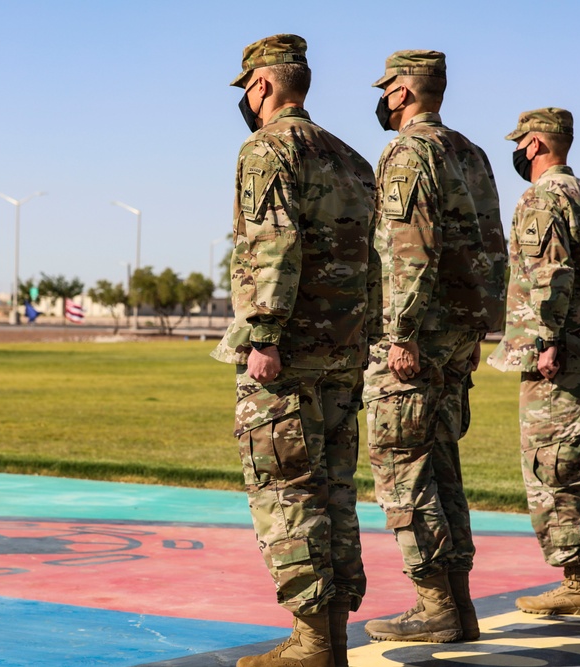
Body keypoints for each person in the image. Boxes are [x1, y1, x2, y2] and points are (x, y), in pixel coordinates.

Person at [211, 34, 380, 667]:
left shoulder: (266, 149)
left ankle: (312, 643)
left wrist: (263, 335)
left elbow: (272, 244)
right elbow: (375, 262)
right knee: (335, 488)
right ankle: (328, 639)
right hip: (343, 351)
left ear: (261, 86)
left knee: (284, 488)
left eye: (247, 91)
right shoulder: (353, 160)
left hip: (287, 353)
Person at [362, 50, 506, 644]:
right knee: (441, 466)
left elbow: (410, 248)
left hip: (416, 338)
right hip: (454, 336)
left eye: (386, 90)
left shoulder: (408, 151)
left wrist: (401, 332)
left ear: (400, 93)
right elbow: (495, 250)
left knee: (402, 465)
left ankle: (434, 604)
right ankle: (459, 606)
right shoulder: (470, 152)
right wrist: (475, 332)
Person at [488, 108, 580, 616]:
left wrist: (547, 339)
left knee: (556, 464)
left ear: (533, 145)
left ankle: (577, 584)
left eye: (520, 145)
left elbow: (549, 272)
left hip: (564, 354)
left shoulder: (542, 198)